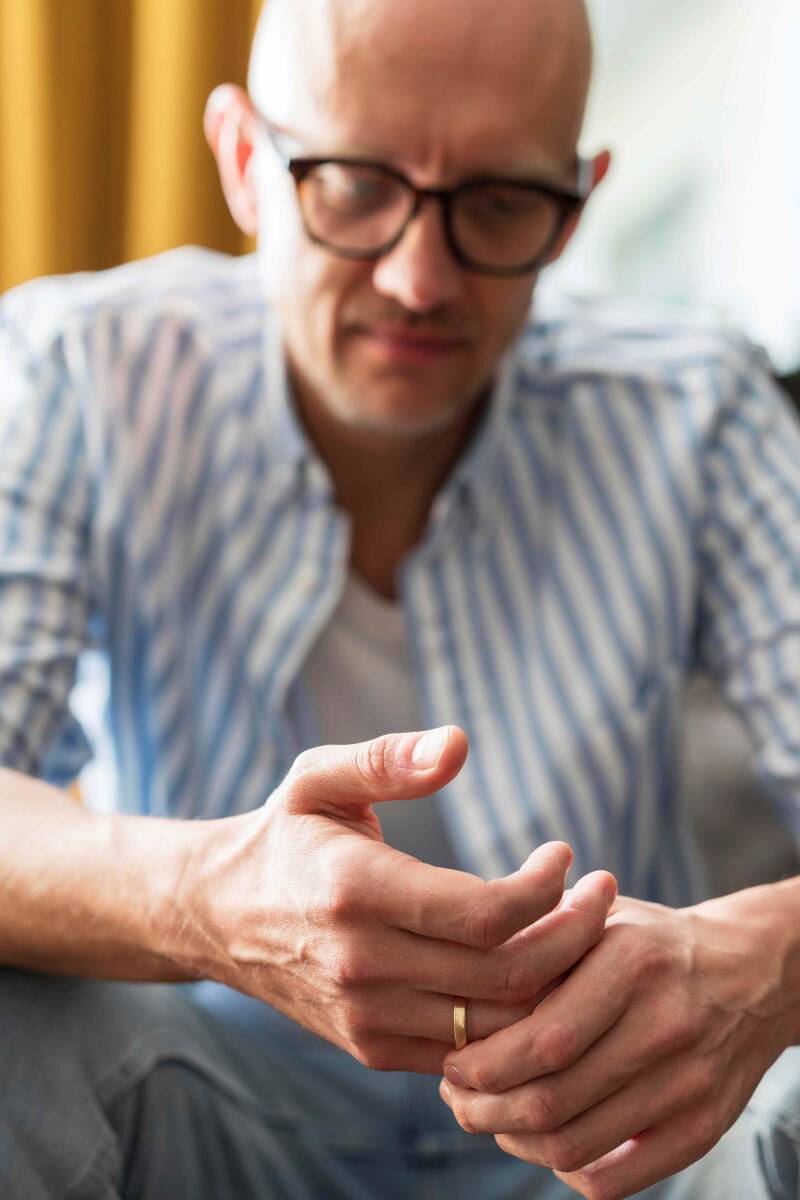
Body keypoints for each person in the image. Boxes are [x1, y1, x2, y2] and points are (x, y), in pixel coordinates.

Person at [1, 0, 799, 1196]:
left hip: (628, 1136)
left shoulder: (700, 408)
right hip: (204, 1104)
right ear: (243, 164)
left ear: (573, 206)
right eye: (354, 185)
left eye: (494, 204)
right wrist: (215, 899)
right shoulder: (76, 370)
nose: (418, 278)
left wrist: (761, 965)